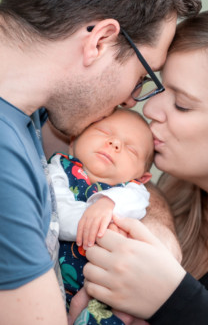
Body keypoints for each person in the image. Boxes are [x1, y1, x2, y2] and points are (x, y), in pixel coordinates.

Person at [0, 0, 201, 324]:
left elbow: (118, 175)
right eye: (142, 75)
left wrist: (155, 230)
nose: (132, 100)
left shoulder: (33, 112)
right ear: (101, 40)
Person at [83, 6, 208, 325]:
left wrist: (171, 298)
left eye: (182, 105)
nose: (150, 109)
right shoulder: (170, 196)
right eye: (162, 87)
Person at [48, 108, 154, 324]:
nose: (115, 144)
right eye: (103, 132)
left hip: (106, 293)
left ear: (142, 177)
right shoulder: (60, 167)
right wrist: (94, 218)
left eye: (131, 150)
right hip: (51, 284)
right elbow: (58, 210)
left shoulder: (132, 191)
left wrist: (108, 203)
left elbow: (138, 203)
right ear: (73, 140)